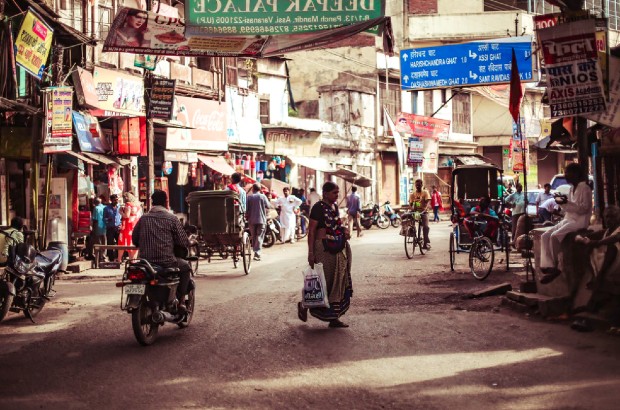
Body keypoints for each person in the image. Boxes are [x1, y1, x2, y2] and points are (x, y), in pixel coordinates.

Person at [299, 181, 353, 328]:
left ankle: (334, 318)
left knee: (337, 282)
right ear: (326, 193)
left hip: (336, 248)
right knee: (323, 283)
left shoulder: (334, 207)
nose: (337, 195)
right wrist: (310, 253)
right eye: (334, 193)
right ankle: (304, 305)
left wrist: (344, 232)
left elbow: (336, 227)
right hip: (322, 249)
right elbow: (311, 231)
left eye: (337, 192)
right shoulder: (317, 208)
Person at [132, 190, 191, 310]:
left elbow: (134, 239)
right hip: (166, 262)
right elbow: (183, 241)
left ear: (152, 202)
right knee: (185, 267)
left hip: (145, 262)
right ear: (166, 202)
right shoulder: (172, 219)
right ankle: (181, 301)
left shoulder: (143, 218)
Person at [540, 163, 593, 284]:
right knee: (545, 236)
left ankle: (557, 267)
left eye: (569, 174)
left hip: (580, 222)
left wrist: (567, 203)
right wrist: (562, 202)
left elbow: (584, 209)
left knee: (554, 237)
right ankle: (547, 265)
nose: (566, 176)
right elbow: (568, 208)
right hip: (569, 219)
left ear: (576, 174)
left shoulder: (585, 188)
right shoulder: (570, 189)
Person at [246, 183, 271, 261]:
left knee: (254, 236)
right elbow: (269, 206)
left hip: (252, 220)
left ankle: (256, 252)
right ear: (259, 189)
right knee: (259, 236)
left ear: (253, 189)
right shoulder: (262, 196)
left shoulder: (249, 197)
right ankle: (257, 253)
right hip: (261, 220)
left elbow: (246, 209)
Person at [118, 192, 142, 260]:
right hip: (135, 226)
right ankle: (133, 260)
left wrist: (120, 212)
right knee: (133, 243)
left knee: (122, 242)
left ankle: (119, 259)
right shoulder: (138, 205)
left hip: (127, 227)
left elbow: (127, 215)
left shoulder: (128, 204)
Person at [408, 179, 431, 249]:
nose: (418, 186)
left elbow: (428, 202)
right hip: (417, 212)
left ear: (422, 185)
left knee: (425, 227)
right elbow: (411, 204)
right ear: (415, 186)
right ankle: (414, 235)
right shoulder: (412, 194)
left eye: (419, 185)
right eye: (416, 185)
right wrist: (411, 208)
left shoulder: (425, 192)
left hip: (424, 212)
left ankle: (426, 242)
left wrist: (425, 208)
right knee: (410, 223)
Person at [103, 194, 122, 261]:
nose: (116, 201)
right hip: (110, 228)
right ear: (111, 200)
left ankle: (118, 257)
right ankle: (111, 258)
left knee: (119, 243)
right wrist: (108, 220)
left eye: (117, 200)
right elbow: (104, 219)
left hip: (118, 228)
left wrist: (121, 224)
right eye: (114, 200)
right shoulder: (106, 208)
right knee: (110, 243)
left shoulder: (120, 207)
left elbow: (122, 217)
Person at [91, 197, 107, 261]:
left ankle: (99, 256)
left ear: (95, 203)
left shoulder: (96, 208)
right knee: (104, 241)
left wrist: (92, 227)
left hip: (98, 226)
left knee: (98, 242)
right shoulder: (105, 207)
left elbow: (95, 219)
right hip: (104, 226)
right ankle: (104, 255)